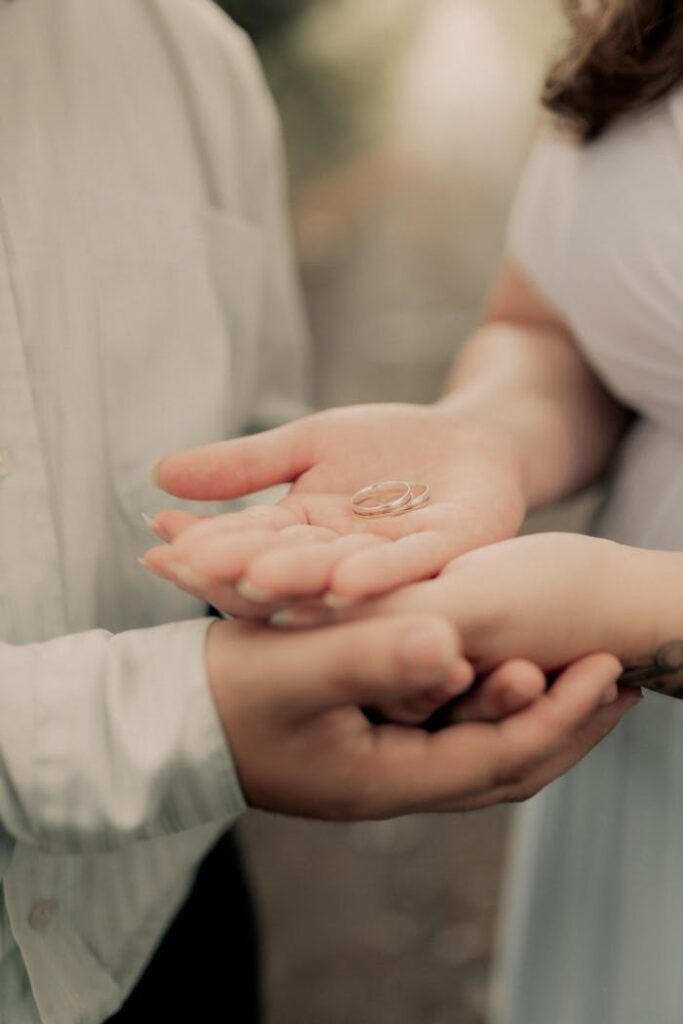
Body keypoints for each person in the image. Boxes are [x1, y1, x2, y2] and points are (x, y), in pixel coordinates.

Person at [0, 3, 636, 1023]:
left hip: (157, 912)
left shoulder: (188, 54)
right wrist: (489, 439)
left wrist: (637, 600)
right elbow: (561, 322)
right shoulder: (629, 33)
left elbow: (250, 430)